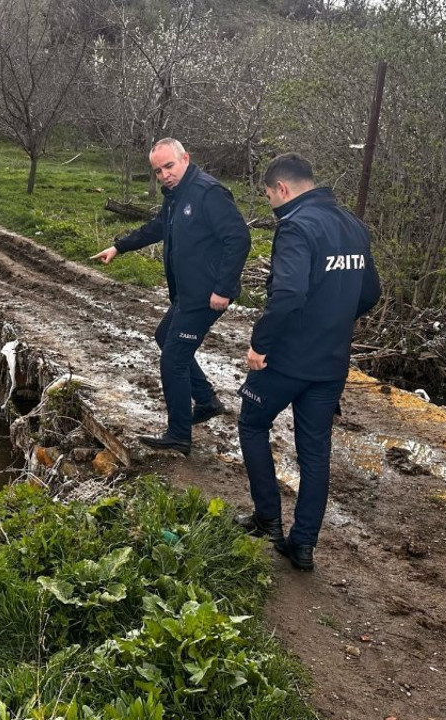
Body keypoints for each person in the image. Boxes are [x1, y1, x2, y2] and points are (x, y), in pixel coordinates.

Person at [235, 152, 380, 572]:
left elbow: (289, 295)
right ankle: (302, 546)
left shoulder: (296, 227)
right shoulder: (353, 225)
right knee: (315, 453)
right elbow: (370, 292)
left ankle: (267, 520)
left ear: (281, 188)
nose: (271, 205)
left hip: (287, 360)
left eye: (268, 197)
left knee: (252, 423)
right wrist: (333, 319)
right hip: (331, 361)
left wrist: (260, 345)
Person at [91, 138, 250, 456]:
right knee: (165, 336)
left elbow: (239, 238)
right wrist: (119, 246)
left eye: (169, 166)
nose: (163, 174)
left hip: (207, 294)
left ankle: (179, 435)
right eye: (157, 170)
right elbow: (158, 227)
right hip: (188, 292)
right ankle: (206, 400)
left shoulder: (208, 192)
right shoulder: (176, 196)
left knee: (173, 359)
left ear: (185, 159)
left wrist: (223, 288)